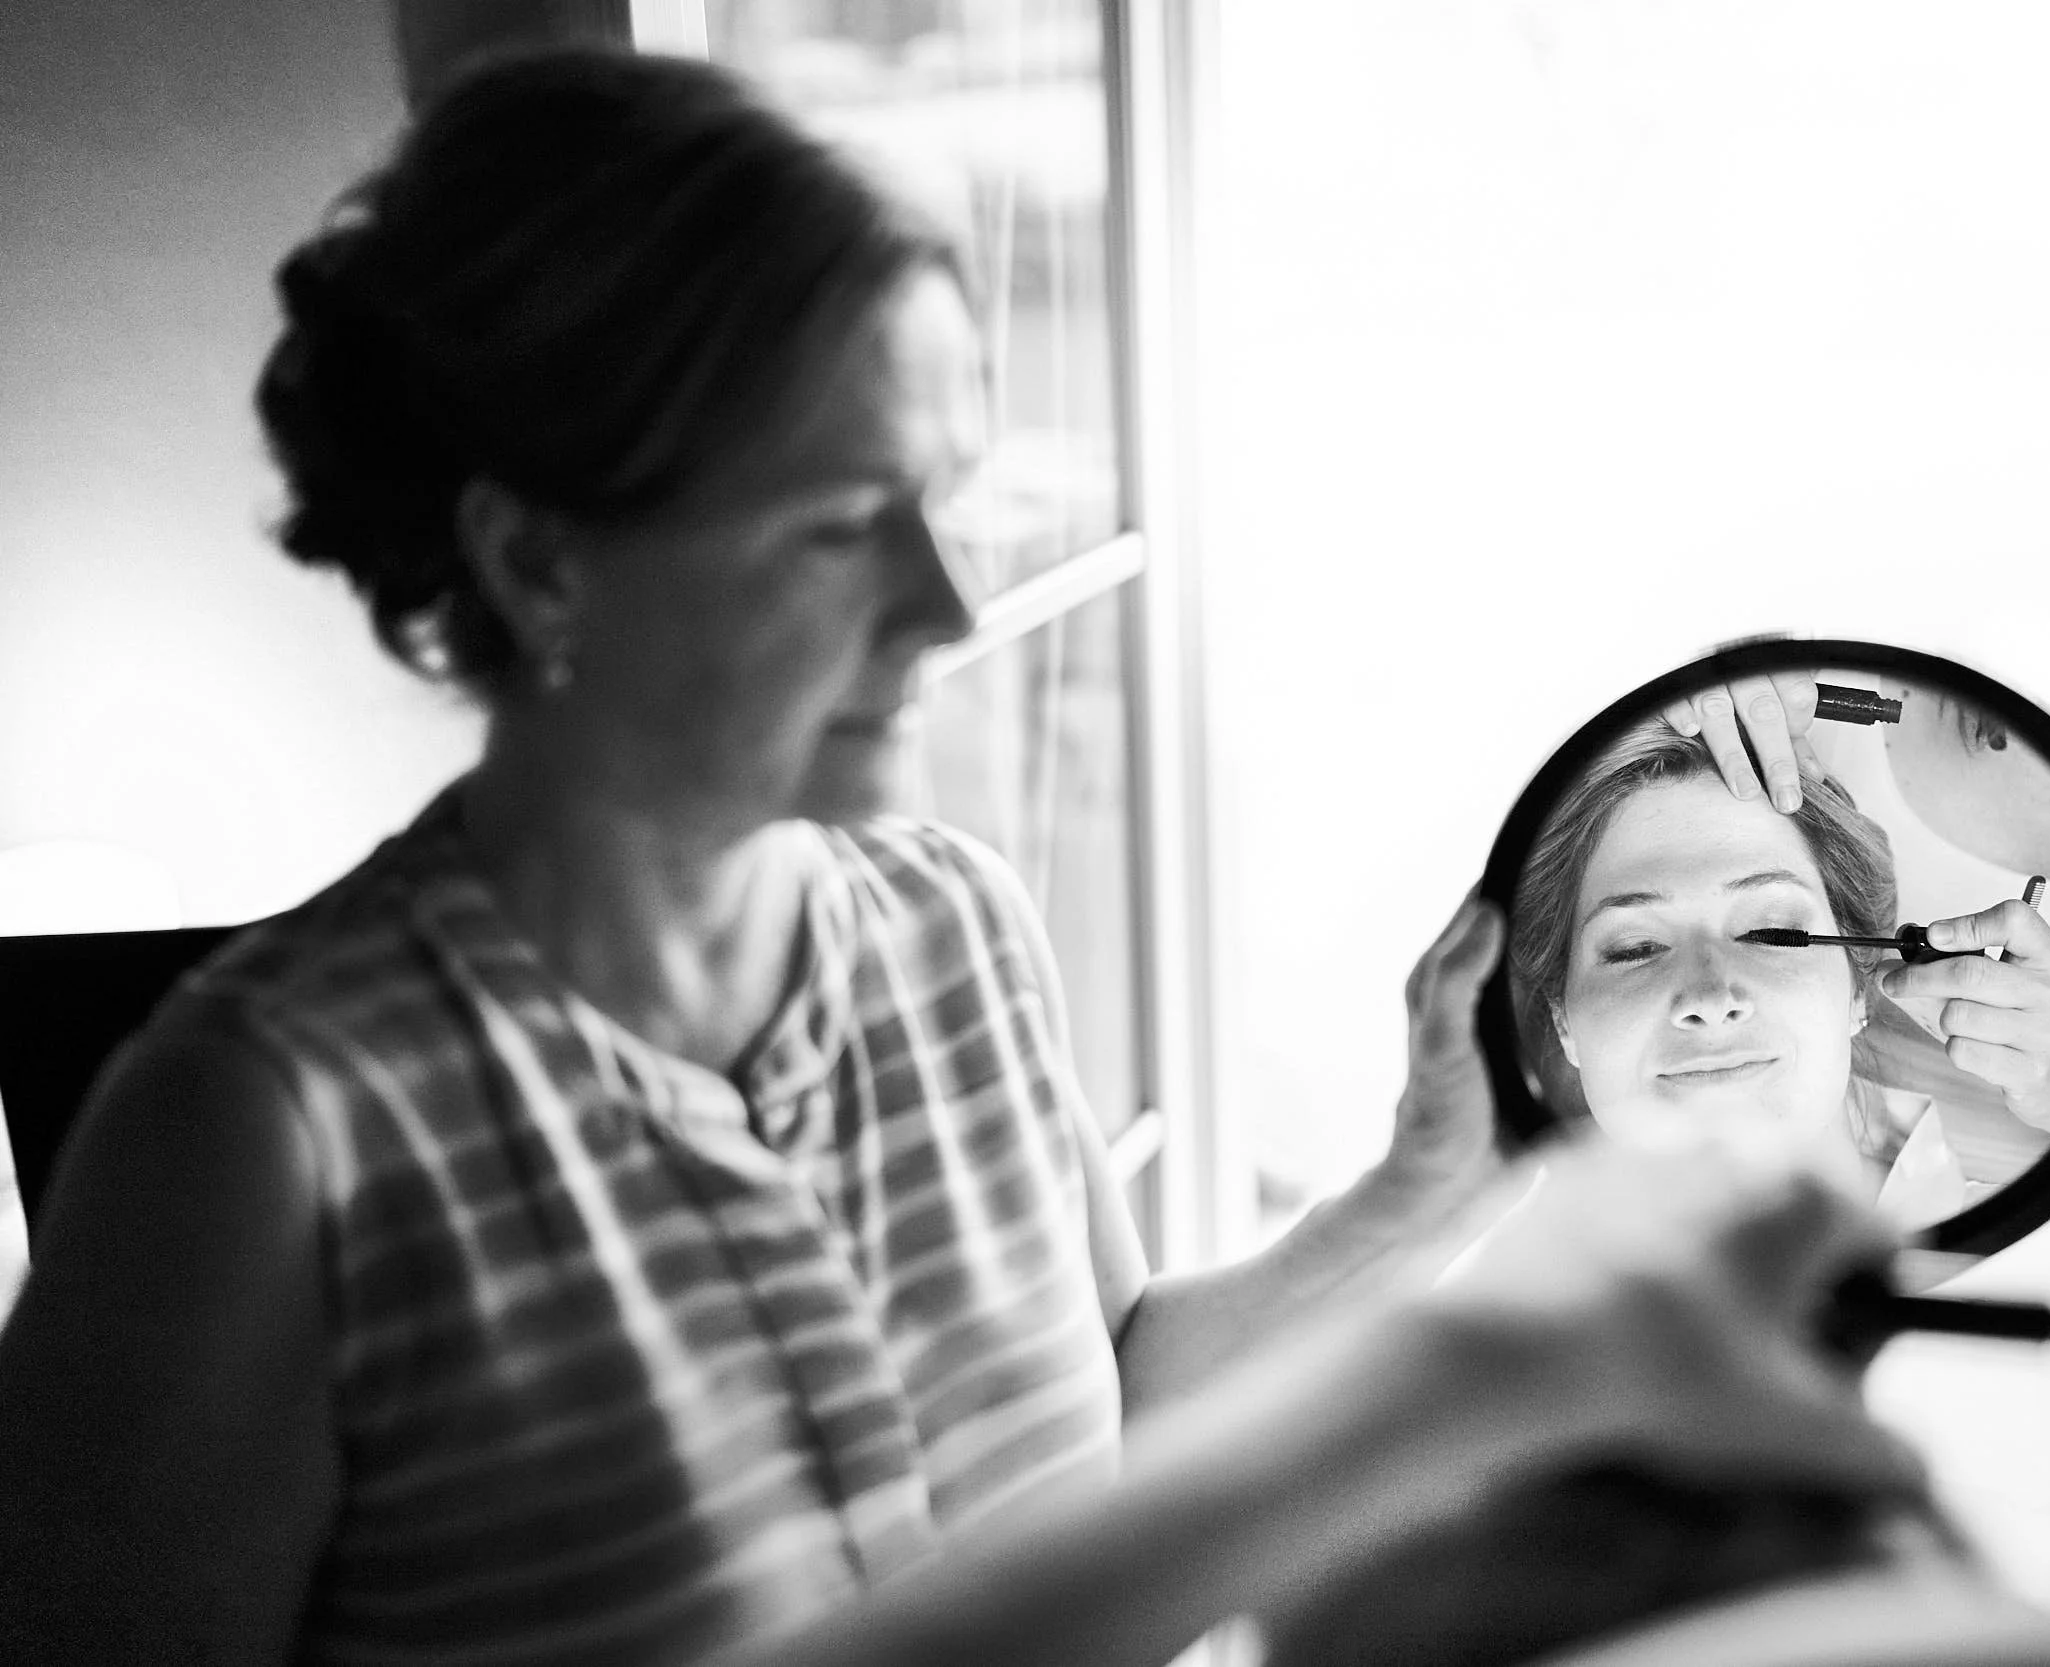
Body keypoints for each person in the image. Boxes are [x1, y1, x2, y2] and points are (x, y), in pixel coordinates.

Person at [0, 45, 1923, 1666]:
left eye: (949, 499)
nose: (948, 602)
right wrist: (1466, 1383)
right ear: (536, 561)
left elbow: (1116, 1414)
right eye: (845, 522)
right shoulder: (256, 1141)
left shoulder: (949, 925)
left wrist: (1430, 1182)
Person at [1507, 719, 2050, 1227]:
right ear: (1564, 1018)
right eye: (1636, 948)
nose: (1711, 997)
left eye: (1771, 933)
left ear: (1856, 991)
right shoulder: (1467, 1299)